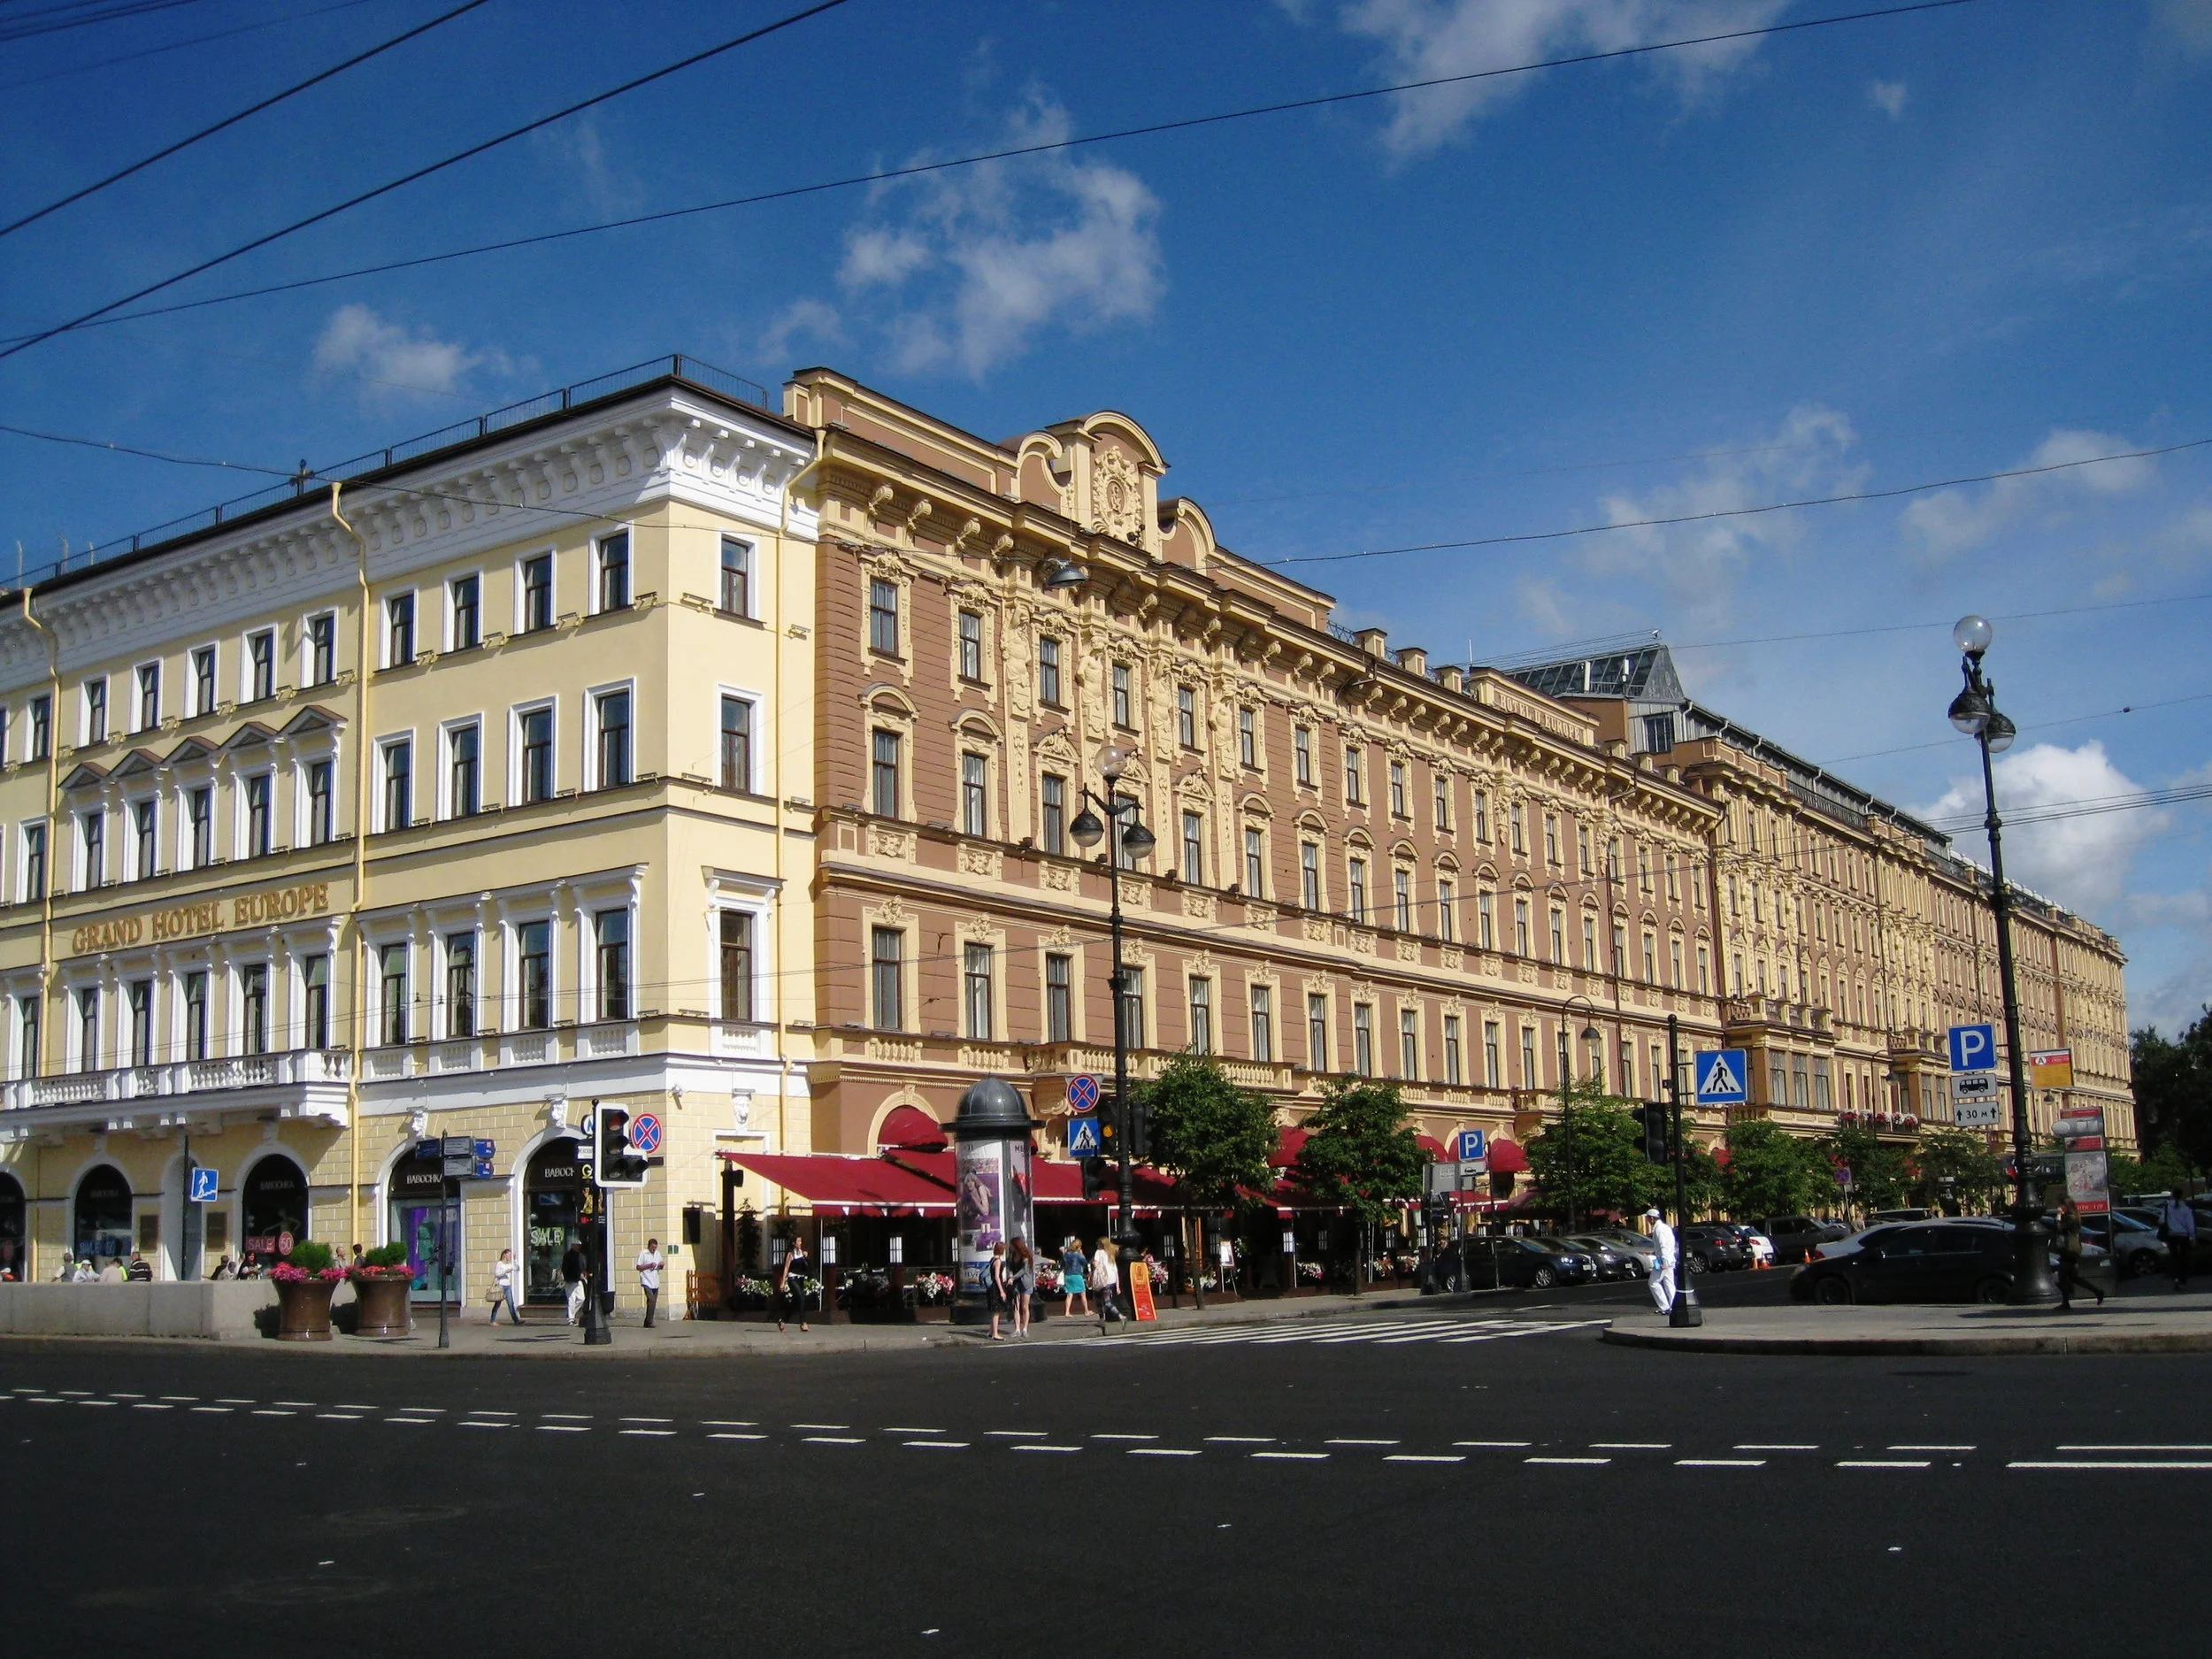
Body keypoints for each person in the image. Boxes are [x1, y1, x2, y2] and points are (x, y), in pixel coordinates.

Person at [2055, 1198, 2105, 1310]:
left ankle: (2066, 1303)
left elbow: (2060, 1228)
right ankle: (2097, 1292)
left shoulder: (2070, 1217)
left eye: (2061, 1206)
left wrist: (2058, 1217)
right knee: (2073, 1277)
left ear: (2066, 1206)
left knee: (2063, 1275)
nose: (2059, 1208)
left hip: (2070, 1249)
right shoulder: (2072, 1216)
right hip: (2071, 1248)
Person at [2160, 1193, 2197, 1288]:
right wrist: (2192, 1237)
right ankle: (2182, 1279)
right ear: (2181, 1196)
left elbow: (2161, 1221)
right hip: (2183, 1236)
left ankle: (2175, 1277)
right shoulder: (2185, 1208)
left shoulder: (2167, 1207)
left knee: (2174, 1257)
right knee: (2183, 1258)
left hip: (2171, 1236)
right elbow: (2190, 1223)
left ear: (2172, 1196)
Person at [1645, 1207, 1678, 1315]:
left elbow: (1663, 1246)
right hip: (1670, 1259)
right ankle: (1674, 1306)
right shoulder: (1666, 1227)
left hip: (1663, 1260)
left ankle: (1664, 1306)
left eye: (1648, 1219)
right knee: (1669, 1284)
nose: (1648, 1221)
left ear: (1652, 1218)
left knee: (1653, 1283)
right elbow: (1669, 1244)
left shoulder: (1659, 1229)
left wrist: (1663, 1260)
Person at [777, 1239, 811, 1333]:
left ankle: (783, 1320)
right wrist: (783, 1282)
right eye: (798, 1241)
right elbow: (786, 1268)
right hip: (792, 1279)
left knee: (796, 1302)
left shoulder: (802, 1253)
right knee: (801, 1297)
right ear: (793, 1243)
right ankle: (803, 1322)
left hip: (800, 1279)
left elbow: (808, 1266)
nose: (800, 1243)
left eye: (801, 1241)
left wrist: (806, 1257)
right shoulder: (791, 1254)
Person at [1092, 1236, 1122, 1325]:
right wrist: (1117, 1286)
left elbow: (1096, 1265)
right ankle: (1118, 1315)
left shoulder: (1098, 1252)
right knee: (1107, 1300)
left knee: (1100, 1301)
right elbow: (1115, 1270)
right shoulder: (1110, 1254)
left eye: (1098, 1243)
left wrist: (1093, 1262)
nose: (1097, 1245)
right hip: (1112, 1279)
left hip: (1103, 1279)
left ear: (1101, 1244)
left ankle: (1104, 1318)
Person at [635, 1237, 665, 1328]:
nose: (654, 1249)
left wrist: (661, 1265)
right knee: (651, 1299)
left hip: (655, 1281)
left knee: (653, 1301)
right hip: (646, 1279)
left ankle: (647, 1321)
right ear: (649, 1246)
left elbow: (660, 1267)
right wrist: (649, 1265)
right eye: (652, 1247)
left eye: (655, 1248)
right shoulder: (643, 1253)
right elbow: (638, 1267)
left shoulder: (657, 1254)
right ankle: (649, 1321)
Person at [1008, 1239, 1034, 1339]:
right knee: (1016, 1306)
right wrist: (1010, 1275)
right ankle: (1017, 1329)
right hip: (1016, 1284)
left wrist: (1013, 1277)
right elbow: (1010, 1266)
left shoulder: (1026, 1256)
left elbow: (1024, 1270)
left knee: (1024, 1307)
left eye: (1012, 1245)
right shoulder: (1012, 1255)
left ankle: (1025, 1329)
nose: (1010, 1247)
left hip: (1025, 1283)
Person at [488, 1248, 522, 1325]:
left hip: (507, 1286)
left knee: (511, 1303)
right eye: (509, 1254)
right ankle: (492, 1320)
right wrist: (505, 1271)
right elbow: (497, 1274)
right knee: (498, 1303)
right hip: (500, 1286)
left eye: (511, 1255)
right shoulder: (499, 1264)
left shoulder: (510, 1264)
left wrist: (515, 1260)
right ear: (504, 1255)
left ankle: (516, 1321)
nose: (510, 1256)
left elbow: (517, 1268)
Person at [1059, 1236, 1090, 1318]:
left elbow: (1063, 1264)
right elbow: (1085, 1263)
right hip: (1077, 1275)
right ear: (1079, 1247)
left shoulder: (1066, 1254)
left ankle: (1067, 1312)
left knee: (1069, 1294)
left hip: (1068, 1275)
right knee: (1083, 1294)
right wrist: (1082, 1253)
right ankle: (1086, 1311)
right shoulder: (1079, 1255)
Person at [985, 1240, 1010, 1340]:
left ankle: (991, 1331)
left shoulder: (992, 1260)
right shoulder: (998, 1261)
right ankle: (995, 1333)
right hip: (996, 1288)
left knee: (993, 1310)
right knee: (996, 1311)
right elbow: (996, 1277)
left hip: (991, 1288)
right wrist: (1002, 1291)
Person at [561, 1238, 588, 1325]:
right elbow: (565, 1268)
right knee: (571, 1299)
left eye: (579, 1246)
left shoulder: (581, 1255)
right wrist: (567, 1278)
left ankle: (571, 1314)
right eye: (576, 1245)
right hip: (571, 1280)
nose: (578, 1247)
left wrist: (583, 1273)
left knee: (581, 1298)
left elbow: (583, 1266)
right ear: (572, 1246)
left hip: (579, 1280)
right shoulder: (568, 1255)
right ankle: (570, 1319)